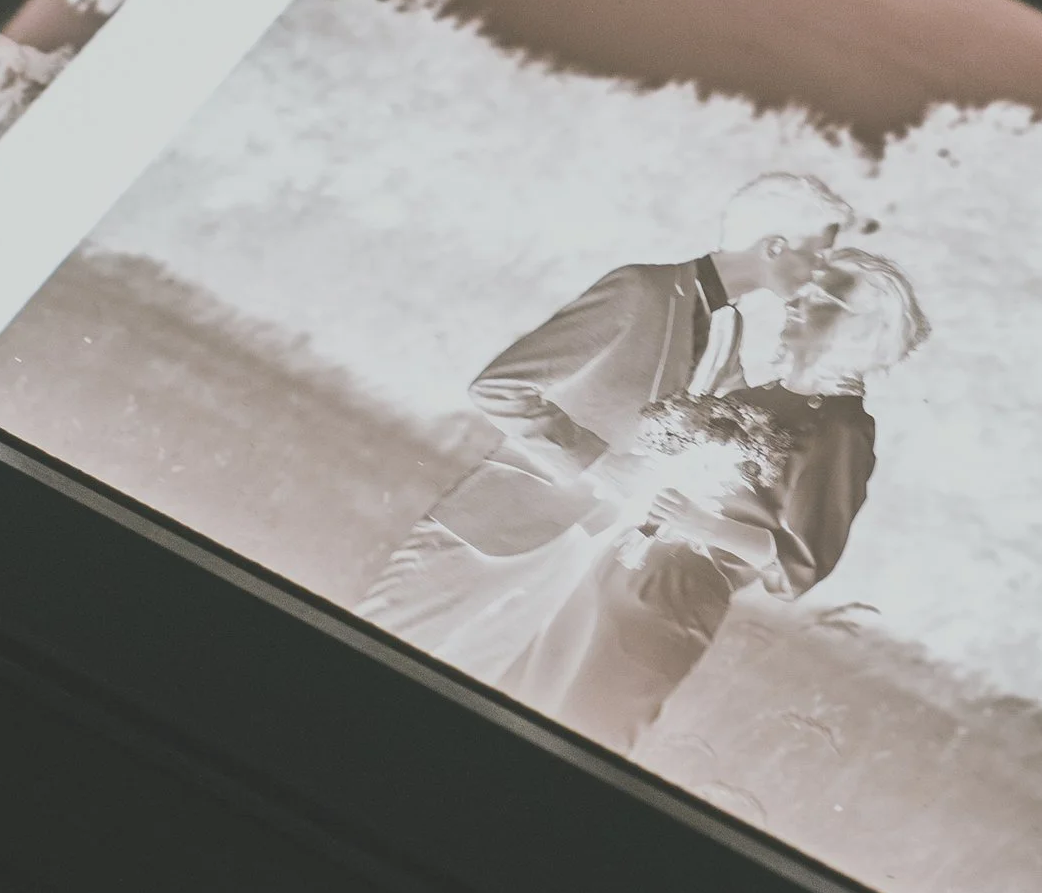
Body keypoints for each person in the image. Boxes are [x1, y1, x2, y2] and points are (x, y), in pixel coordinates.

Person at [357, 174, 854, 679]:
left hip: (578, 555)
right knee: (365, 652)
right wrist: (599, 463)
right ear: (774, 247)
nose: (820, 273)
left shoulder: (728, 329)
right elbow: (499, 388)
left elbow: (742, 426)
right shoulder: (640, 289)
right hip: (497, 525)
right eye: (818, 255)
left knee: (458, 686)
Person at [509, 248, 930, 753]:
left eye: (821, 298)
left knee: (584, 739)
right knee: (519, 709)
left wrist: (701, 525)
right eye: (805, 290)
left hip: (675, 594)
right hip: (613, 562)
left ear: (861, 328)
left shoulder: (842, 428)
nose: (796, 302)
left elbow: (801, 565)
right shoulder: (757, 395)